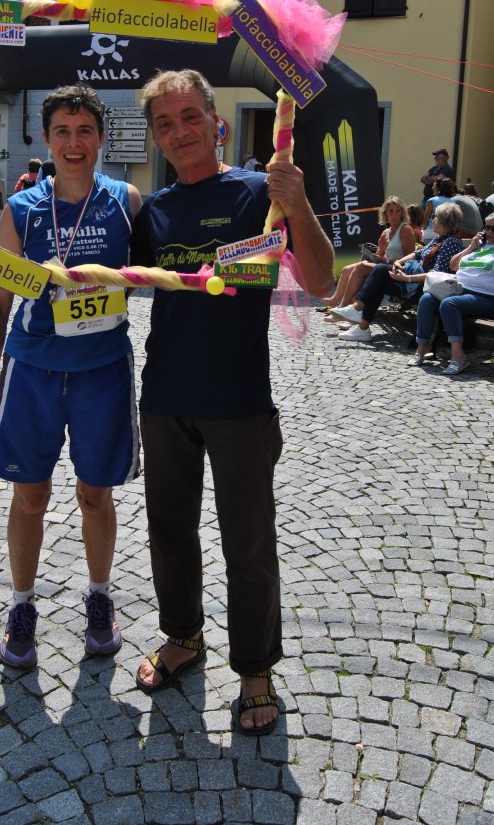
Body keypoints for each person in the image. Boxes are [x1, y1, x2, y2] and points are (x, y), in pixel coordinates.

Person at [130, 69, 335, 735]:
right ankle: (183, 637)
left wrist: (297, 204)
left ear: (215, 122)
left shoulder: (257, 192)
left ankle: (254, 668)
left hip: (240, 401)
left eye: (189, 116)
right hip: (165, 395)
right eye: (165, 123)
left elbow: (323, 282)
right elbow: (112, 281)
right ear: (156, 137)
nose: (179, 131)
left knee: (247, 542)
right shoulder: (154, 210)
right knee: (169, 532)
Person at [0, 85, 142, 670]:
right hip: (33, 371)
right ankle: (22, 605)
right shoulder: (21, 210)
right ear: (47, 140)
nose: (74, 143)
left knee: (96, 495)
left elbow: (163, 268)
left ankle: (99, 598)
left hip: (102, 372)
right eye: (63, 132)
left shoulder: (126, 201)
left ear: (101, 138)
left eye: (85, 131)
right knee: (30, 495)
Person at [332, 203, 463, 341]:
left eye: (434, 216)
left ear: (444, 220)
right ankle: (361, 326)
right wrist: (398, 262)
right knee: (379, 279)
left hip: (422, 286)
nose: (432, 219)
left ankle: (357, 310)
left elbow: (436, 274)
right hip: (413, 277)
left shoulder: (451, 242)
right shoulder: (439, 238)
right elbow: (417, 253)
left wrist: (407, 278)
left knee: (380, 271)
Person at [409, 214, 494, 375]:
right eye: (487, 228)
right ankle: (423, 347)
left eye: (493, 229)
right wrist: (471, 247)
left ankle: (458, 356)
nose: (489, 232)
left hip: (486, 296)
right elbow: (453, 265)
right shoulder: (479, 247)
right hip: (461, 290)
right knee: (427, 298)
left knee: (449, 304)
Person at [321, 196, 415, 317]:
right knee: (346, 269)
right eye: (390, 211)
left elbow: (409, 259)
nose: (394, 214)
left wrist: (384, 259)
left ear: (402, 213)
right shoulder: (386, 232)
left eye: (398, 211)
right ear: (385, 214)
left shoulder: (406, 230)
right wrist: (376, 253)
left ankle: (342, 308)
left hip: (398, 269)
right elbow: (379, 256)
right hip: (384, 266)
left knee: (361, 267)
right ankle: (335, 301)